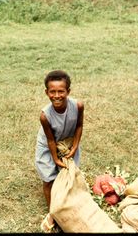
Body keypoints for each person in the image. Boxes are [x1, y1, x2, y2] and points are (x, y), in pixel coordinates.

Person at [35, 70, 84, 232]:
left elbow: (79, 126)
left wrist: (75, 147)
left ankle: (68, 205)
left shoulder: (77, 106)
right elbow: (50, 140)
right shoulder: (45, 115)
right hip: (48, 144)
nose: (57, 95)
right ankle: (53, 212)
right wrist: (56, 159)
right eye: (52, 92)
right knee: (49, 178)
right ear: (46, 92)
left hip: (68, 142)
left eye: (61, 91)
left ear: (68, 91)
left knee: (69, 177)